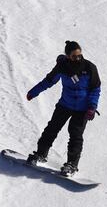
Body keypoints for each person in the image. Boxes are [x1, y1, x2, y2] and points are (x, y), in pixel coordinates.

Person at [25, 40, 101, 176]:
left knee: (75, 134)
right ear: (67, 56)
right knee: (52, 128)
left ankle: (71, 165)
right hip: (65, 105)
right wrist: (33, 92)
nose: (78, 58)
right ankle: (41, 154)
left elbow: (95, 89)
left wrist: (92, 107)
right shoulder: (62, 67)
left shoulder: (89, 68)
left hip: (82, 109)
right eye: (74, 56)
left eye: (79, 55)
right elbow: (48, 81)